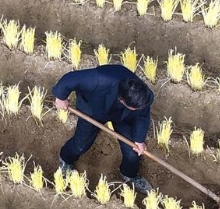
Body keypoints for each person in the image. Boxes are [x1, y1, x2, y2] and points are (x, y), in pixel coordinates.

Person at [53, 64, 154, 194]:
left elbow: (142, 116)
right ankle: (65, 160)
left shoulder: (145, 97)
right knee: (80, 145)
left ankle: (129, 174)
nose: (139, 108)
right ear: (122, 100)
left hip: (124, 116)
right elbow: (70, 79)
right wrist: (61, 97)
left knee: (132, 152)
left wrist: (139, 140)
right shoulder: (100, 78)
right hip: (94, 108)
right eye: (135, 107)